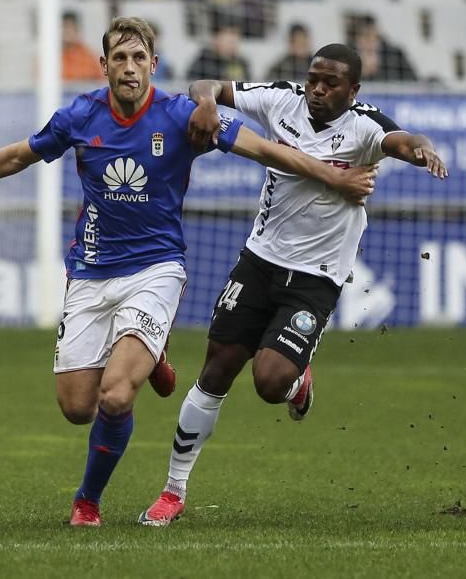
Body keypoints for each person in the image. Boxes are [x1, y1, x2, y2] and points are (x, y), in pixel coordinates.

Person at [0, 17, 377, 527]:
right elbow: (16, 157)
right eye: (119, 59)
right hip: (91, 271)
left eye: (138, 58)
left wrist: (331, 178)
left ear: (153, 64)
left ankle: (87, 503)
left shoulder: (182, 114)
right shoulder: (80, 115)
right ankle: (152, 352)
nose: (129, 68)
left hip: (157, 269)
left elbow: (267, 150)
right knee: (78, 407)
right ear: (104, 66)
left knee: (117, 395)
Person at [139, 43, 448, 526]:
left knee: (269, 382)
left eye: (331, 83)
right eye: (314, 78)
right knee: (217, 367)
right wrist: (204, 102)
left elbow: (404, 140)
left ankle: (297, 380)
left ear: (354, 91)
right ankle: (173, 491)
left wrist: (423, 150)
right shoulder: (281, 99)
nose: (318, 89)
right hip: (260, 260)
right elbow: (208, 87)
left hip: (316, 277)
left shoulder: (365, 126)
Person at [352, 15, 417, 82]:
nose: (370, 43)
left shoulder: (396, 55)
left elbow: (413, 82)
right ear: (356, 40)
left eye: (375, 37)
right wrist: (363, 74)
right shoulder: (349, 59)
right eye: (366, 37)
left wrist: (378, 71)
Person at [186, 22, 251, 80]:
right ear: (216, 39)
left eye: (235, 41)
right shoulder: (203, 62)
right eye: (228, 41)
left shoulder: (241, 62)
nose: (233, 45)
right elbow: (191, 85)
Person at [61, 11, 103, 82]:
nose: (66, 32)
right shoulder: (50, 58)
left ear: (77, 30)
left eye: (69, 27)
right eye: (64, 27)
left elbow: (101, 84)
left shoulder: (89, 58)